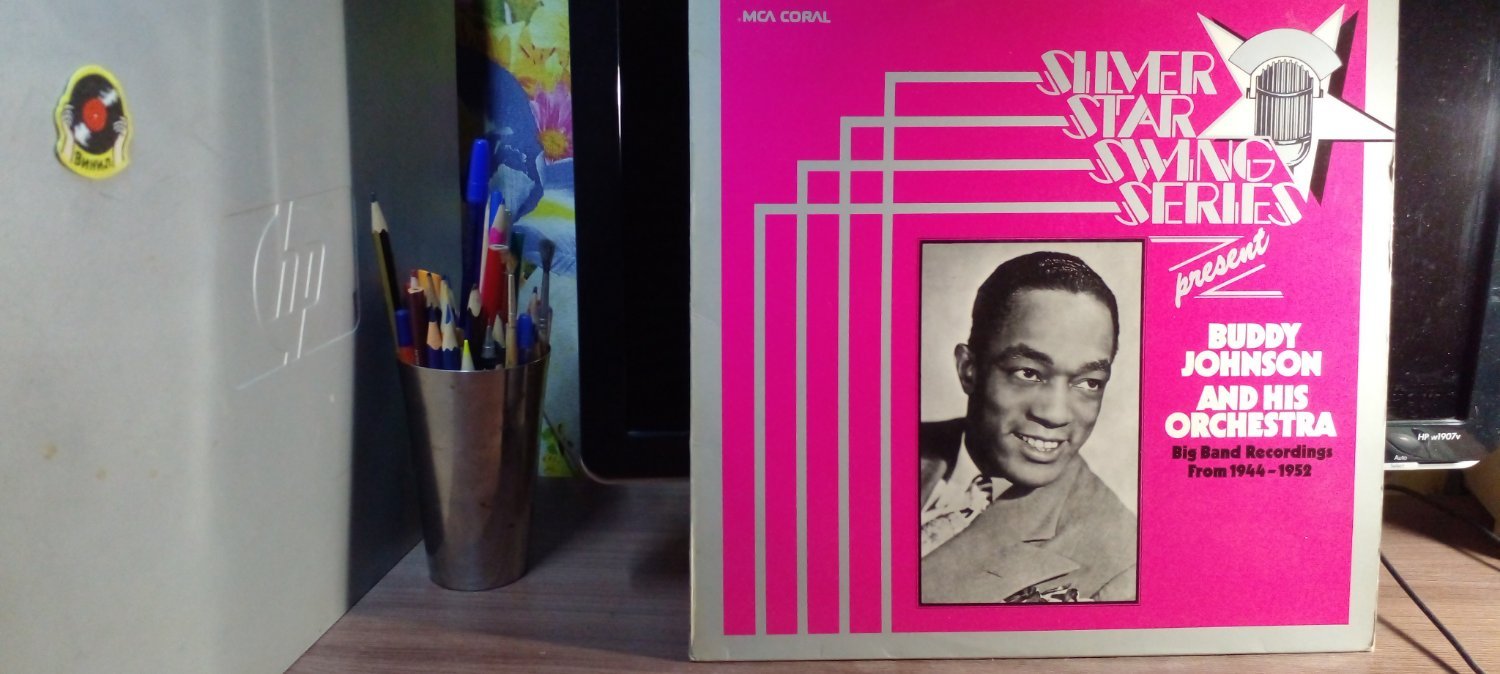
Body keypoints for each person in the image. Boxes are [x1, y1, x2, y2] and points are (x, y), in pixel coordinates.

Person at [920, 250, 1136, 604]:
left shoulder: (1121, 562)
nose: (1055, 414)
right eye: (1029, 373)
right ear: (968, 369)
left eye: (1089, 382)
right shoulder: (884, 450)